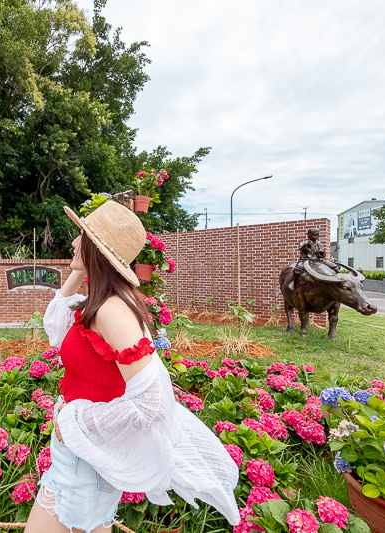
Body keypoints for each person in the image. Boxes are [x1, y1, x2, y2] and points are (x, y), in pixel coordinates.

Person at [25, 201, 240, 532]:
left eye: (80, 236)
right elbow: (55, 324)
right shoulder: (101, 303)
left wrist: (74, 421)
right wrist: (82, 267)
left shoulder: (111, 311)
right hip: (81, 459)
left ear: (95, 248)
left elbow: (151, 403)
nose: (72, 243)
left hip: (81, 465)